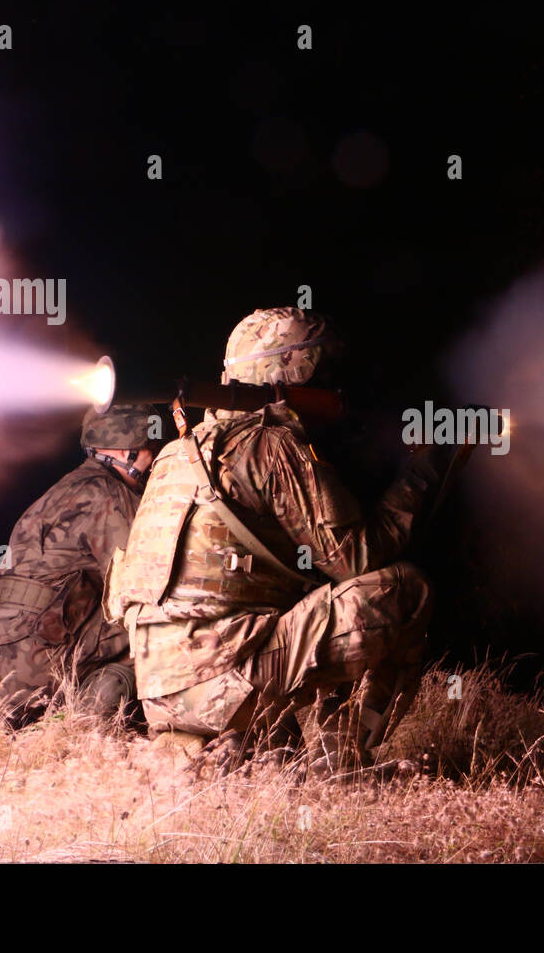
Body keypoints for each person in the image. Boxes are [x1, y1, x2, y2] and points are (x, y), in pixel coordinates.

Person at [104, 307, 459, 774]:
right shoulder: (272, 444)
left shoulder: (176, 452)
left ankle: (237, 743)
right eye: (322, 374)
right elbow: (357, 559)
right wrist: (421, 469)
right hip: (222, 684)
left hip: (160, 692)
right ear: (293, 374)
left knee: (313, 596)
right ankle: (339, 764)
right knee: (405, 590)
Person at [0, 403, 157, 728]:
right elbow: (145, 581)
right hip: (44, 669)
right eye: (149, 449)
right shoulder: (109, 496)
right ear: (126, 450)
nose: (152, 460)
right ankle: (88, 722)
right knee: (160, 633)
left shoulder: (49, 497)